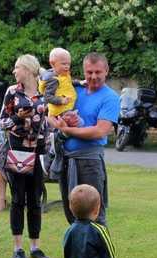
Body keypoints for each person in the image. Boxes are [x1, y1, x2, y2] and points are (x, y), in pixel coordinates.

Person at [48, 53, 120, 226]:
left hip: (89, 162)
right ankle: (77, 252)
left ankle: (101, 253)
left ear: (106, 71)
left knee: (95, 216)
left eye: (97, 72)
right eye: (89, 72)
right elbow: (50, 114)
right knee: (71, 213)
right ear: (83, 71)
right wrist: (60, 124)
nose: (93, 76)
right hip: (66, 160)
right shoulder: (74, 90)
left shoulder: (110, 97)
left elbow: (100, 131)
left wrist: (68, 129)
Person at [0, 54, 50, 258]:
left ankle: (35, 247)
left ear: (28, 70)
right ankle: (18, 248)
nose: (14, 71)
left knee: (35, 200)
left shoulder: (45, 91)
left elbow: (50, 119)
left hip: (38, 151)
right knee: (18, 199)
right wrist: (17, 117)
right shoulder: (12, 92)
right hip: (18, 149)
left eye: (17, 68)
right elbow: (1, 123)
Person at [39, 47, 77, 117]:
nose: (67, 67)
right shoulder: (53, 80)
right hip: (59, 112)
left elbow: (68, 82)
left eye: (68, 64)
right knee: (80, 122)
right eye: (64, 64)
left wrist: (80, 83)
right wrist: (61, 100)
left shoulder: (62, 75)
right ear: (53, 64)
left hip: (66, 108)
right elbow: (48, 97)